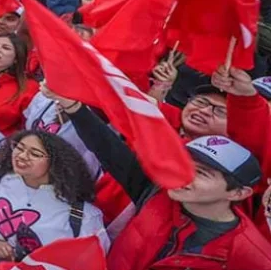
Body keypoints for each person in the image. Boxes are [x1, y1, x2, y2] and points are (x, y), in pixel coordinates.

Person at [52, 84, 271, 269]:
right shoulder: (157, 193)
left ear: (238, 192)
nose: (183, 175)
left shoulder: (250, 255)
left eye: (202, 173)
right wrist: (74, 107)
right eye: (184, 164)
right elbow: (109, 149)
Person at [0, 131, 107, 262]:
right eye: (19, 148)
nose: (22, 156)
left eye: (35, 154)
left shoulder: (85, 216)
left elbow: (91, 262)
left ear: (55, 163)